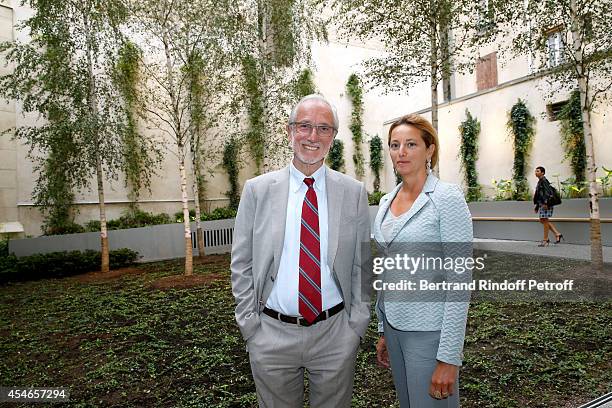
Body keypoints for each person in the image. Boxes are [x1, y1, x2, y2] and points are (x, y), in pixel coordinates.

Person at [230, 94, 371, 408]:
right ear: (289, 130)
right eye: (305, 126)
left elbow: (362, 266)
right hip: (271, 335)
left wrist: (355, 327)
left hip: (335, 335)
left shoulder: (354, 192)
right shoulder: (257, 190)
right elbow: (241, 263)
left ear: (333, 136)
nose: (313, 136)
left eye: (323, 128)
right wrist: (251, 327)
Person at [372, 114, 472, 407]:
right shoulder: (386, 201)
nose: (401, 152)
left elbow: (459, 283)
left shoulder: (446, 198)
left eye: (411, 144)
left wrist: (449, 357)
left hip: (430, 334)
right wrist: (383, 329)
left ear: (429, 150)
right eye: (394, 144)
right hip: (393, 328)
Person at [533, 166, 563, 246]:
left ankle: (545, 240)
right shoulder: (540, 181)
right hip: (542, 204)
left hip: (546, 204)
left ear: (542, 172)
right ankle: (557, 234)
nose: (536, 172)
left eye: (538, 171)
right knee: (542, 220)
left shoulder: (544, 181)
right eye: (535, 171)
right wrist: (537, 206)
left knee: (544, 220)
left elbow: (547, 193)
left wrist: (546, 203)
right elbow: (539, 195)